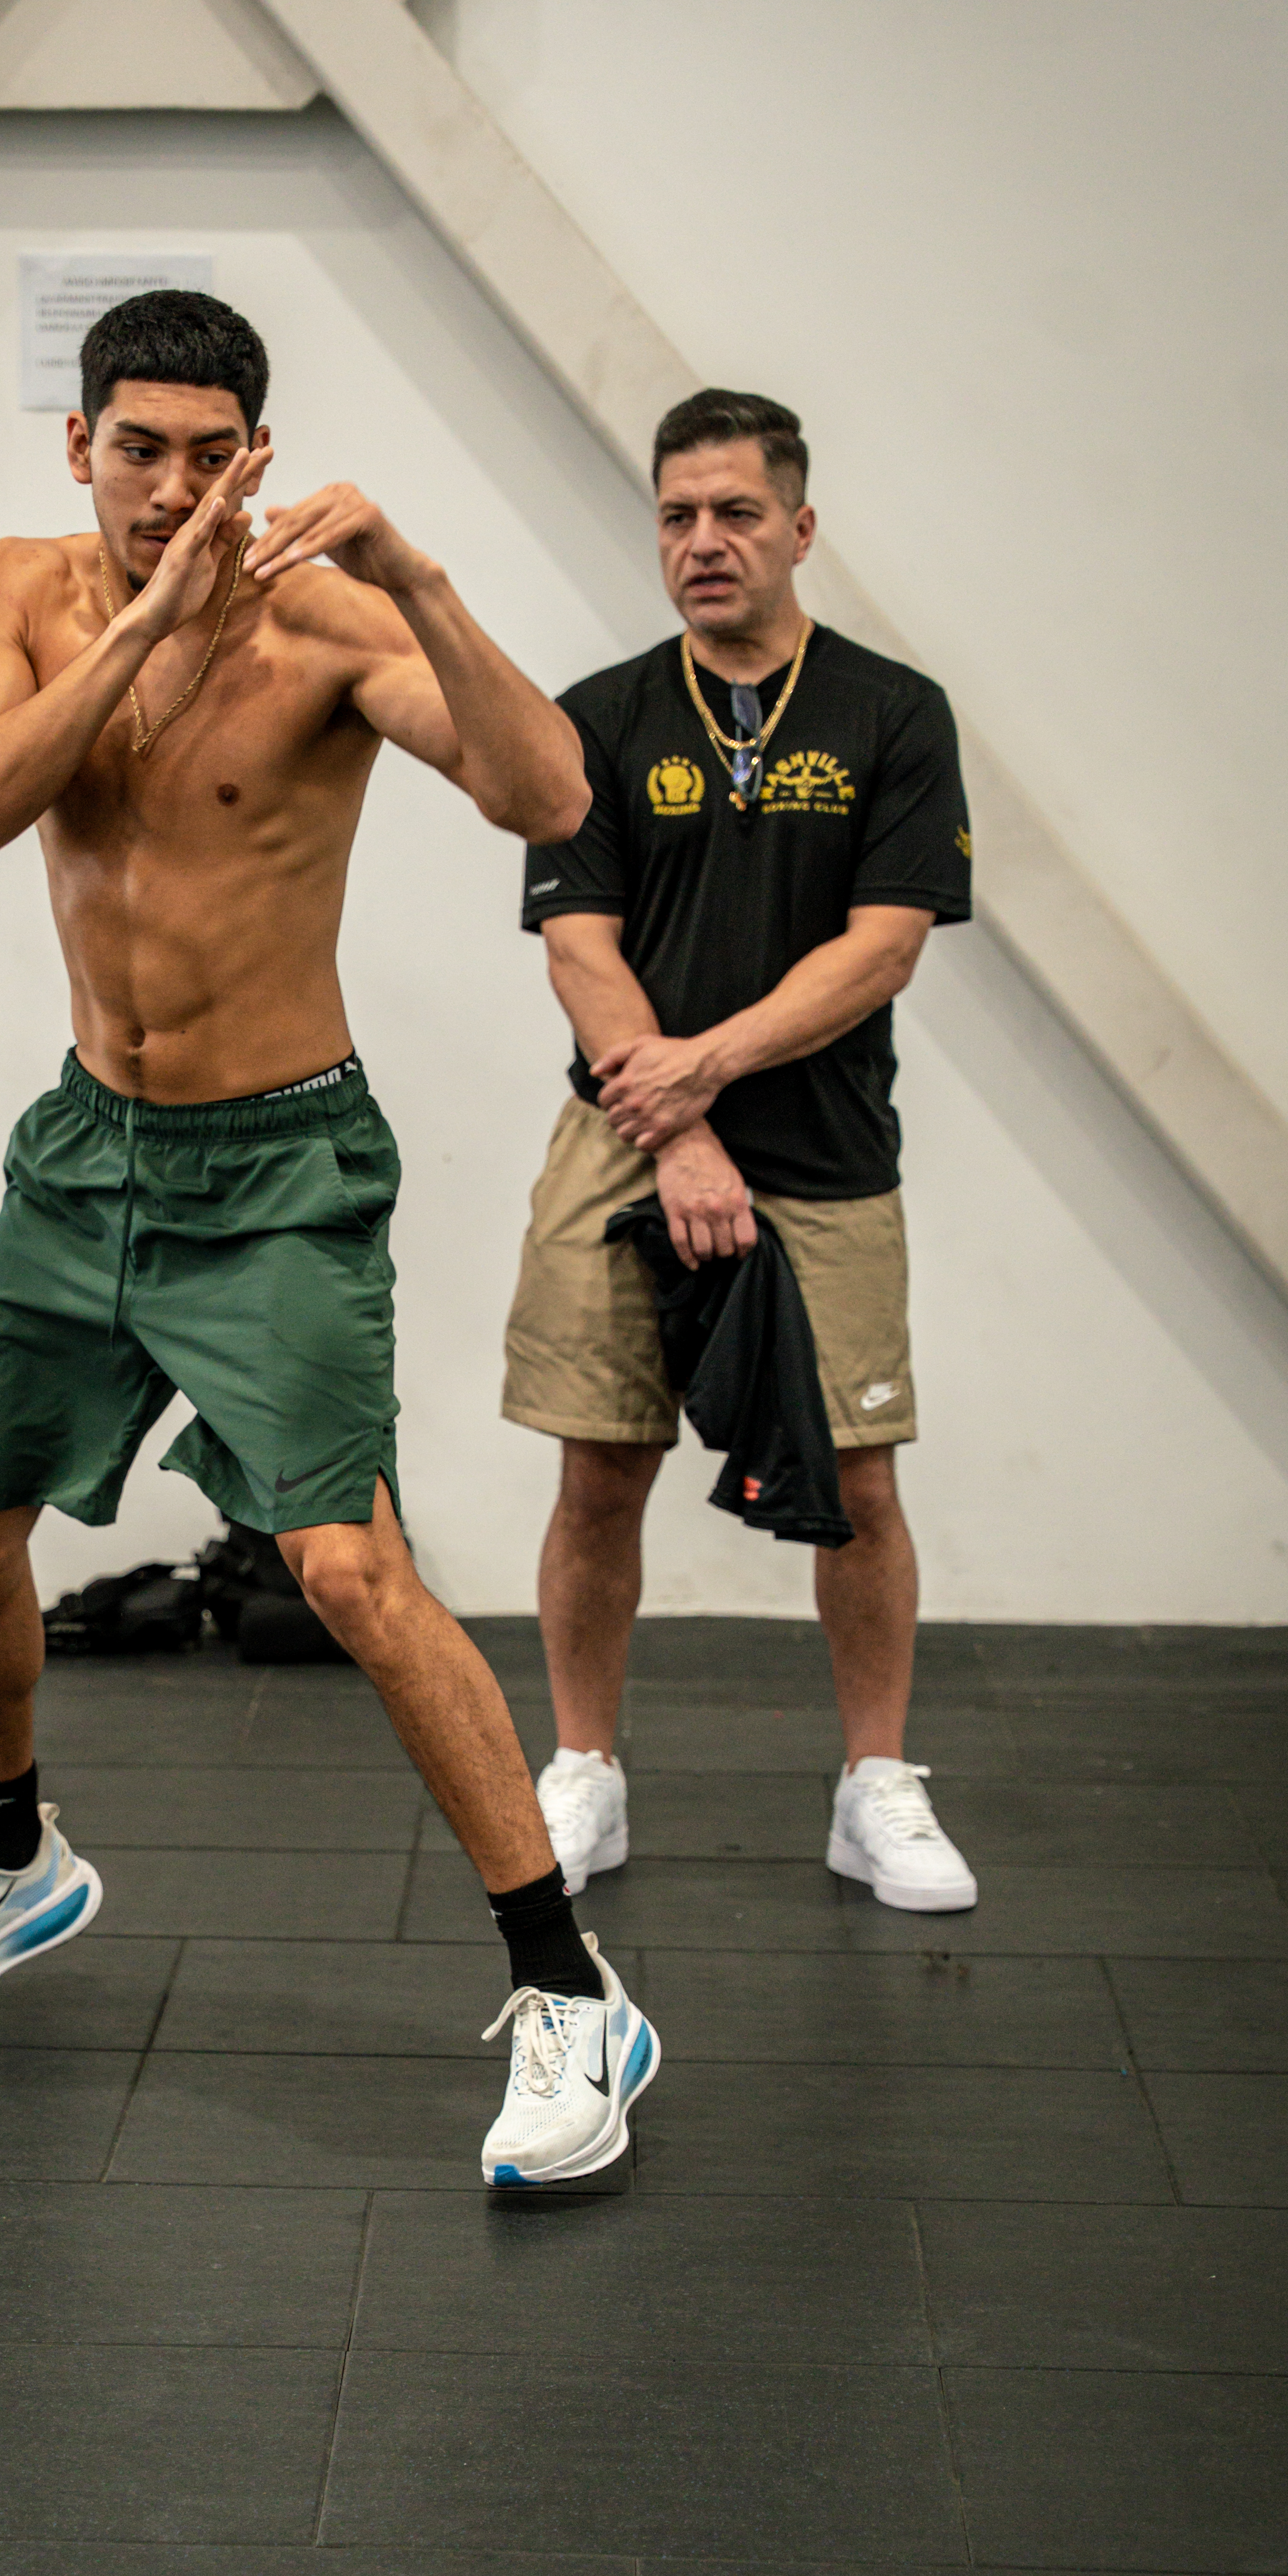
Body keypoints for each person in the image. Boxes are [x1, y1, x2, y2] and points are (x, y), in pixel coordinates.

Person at [0, 289, 662, 2189]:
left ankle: (569, 1992)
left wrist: (428, 584)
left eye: (211, 455)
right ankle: (5, 1865)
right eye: (139, 448)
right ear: (80, 447)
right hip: (84, 1156)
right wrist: (138, 620)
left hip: (279, 1171)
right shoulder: (17, 591)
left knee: (351, 1572)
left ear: (256, 459)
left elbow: (552, 796)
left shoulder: (326, 626)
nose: (171, 487)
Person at [503, 387, 979, 1914]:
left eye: (735, 513)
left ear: (799, 527)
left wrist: (705, 1076)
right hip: (625, 1146)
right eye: (676, 516)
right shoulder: (595, 716)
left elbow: (886, 946)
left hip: (825, 1154)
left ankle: (875, 1784)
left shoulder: (893, 712)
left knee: (863, 1478)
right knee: (599, 1472)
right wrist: (682, 1127)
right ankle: (585, 1773)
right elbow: (578, 948)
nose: (703, 543)